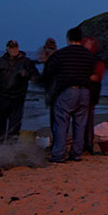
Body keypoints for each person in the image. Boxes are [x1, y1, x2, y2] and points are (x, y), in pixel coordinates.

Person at [43, 27, 96, 163]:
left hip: (68, 90)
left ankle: (59, 154)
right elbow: (92, 72)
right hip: (85, 91)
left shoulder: (61, 54)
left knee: (61, 122)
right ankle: (76, 153)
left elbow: (48, 72)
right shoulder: (89, 55)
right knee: (80, 124)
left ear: (68, 39)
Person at [0, 40, 38, 142]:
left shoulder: (26, 61)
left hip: (18, 97)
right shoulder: (0, 61)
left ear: (18, 48)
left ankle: (11, 146)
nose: (14, 49)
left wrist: (26, 74)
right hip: (3, 96)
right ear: (7, 49)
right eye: (11, 47)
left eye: (15, 47)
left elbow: (35, 76)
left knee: (14, 123)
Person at [81, 37, 106, 155]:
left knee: (84, 120)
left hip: (89, 93)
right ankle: (85, 144)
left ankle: (86, 145)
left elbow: (97, 77)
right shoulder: (94, 61)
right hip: (89, 93)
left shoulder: (93, 61)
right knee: (84, 120)